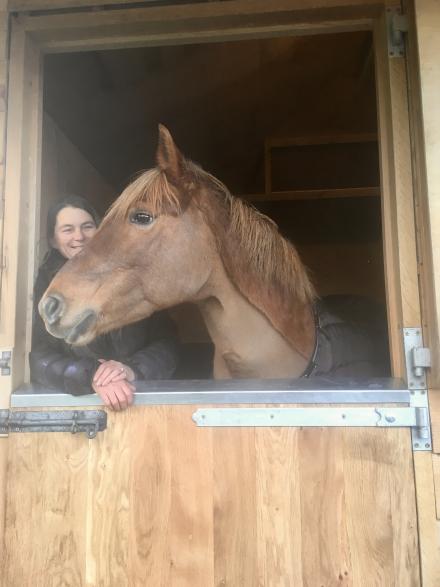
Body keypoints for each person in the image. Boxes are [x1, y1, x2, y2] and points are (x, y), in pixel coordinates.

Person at [30, 194, 179, 411]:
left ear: (100, 232)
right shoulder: (47, 290)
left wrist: (130, 370)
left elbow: (168, 343)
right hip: (80, 415)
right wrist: (90, 375)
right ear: (53, 240)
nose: (79, 236)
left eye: (87, 226)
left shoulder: (132, 279)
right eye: (67, 229)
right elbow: (38, 357)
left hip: (143, 404)